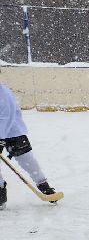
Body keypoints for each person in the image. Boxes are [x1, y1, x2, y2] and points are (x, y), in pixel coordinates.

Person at [0, 78, 62, 207]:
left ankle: (43, 184)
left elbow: (5, 117)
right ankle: (0, 191)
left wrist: (0, 138)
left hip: (14, 131)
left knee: (27, 159)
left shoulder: (4, 94)